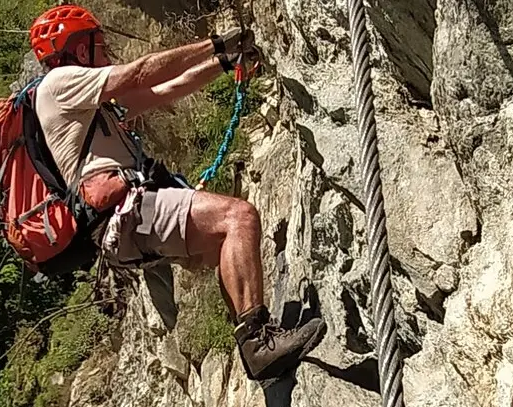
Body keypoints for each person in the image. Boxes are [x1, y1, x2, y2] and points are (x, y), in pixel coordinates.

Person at [28, 5, 325, 381]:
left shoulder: (90, 104)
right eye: (99, 44)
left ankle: (256, 344)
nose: (106, 52)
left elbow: (165, 89)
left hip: (125, 222)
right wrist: (216, 43)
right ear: (79, 48)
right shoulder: (60, 83)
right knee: (238, 217)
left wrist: (223, 62)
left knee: (222, 243)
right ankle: (258, 345)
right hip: (127, 215)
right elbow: (140, 71)